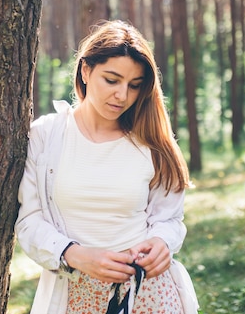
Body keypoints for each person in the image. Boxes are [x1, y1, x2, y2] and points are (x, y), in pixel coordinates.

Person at [15, 20, 191, 314]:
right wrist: (75, 255)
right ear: (85, 70)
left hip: (148, 293)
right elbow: (29, 222)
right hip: (74, 294)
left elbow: (170, 218)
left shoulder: (151, 140)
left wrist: (162, 242)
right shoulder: (46, 135)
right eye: (112, 80)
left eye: (134, 86)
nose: (122, 95)